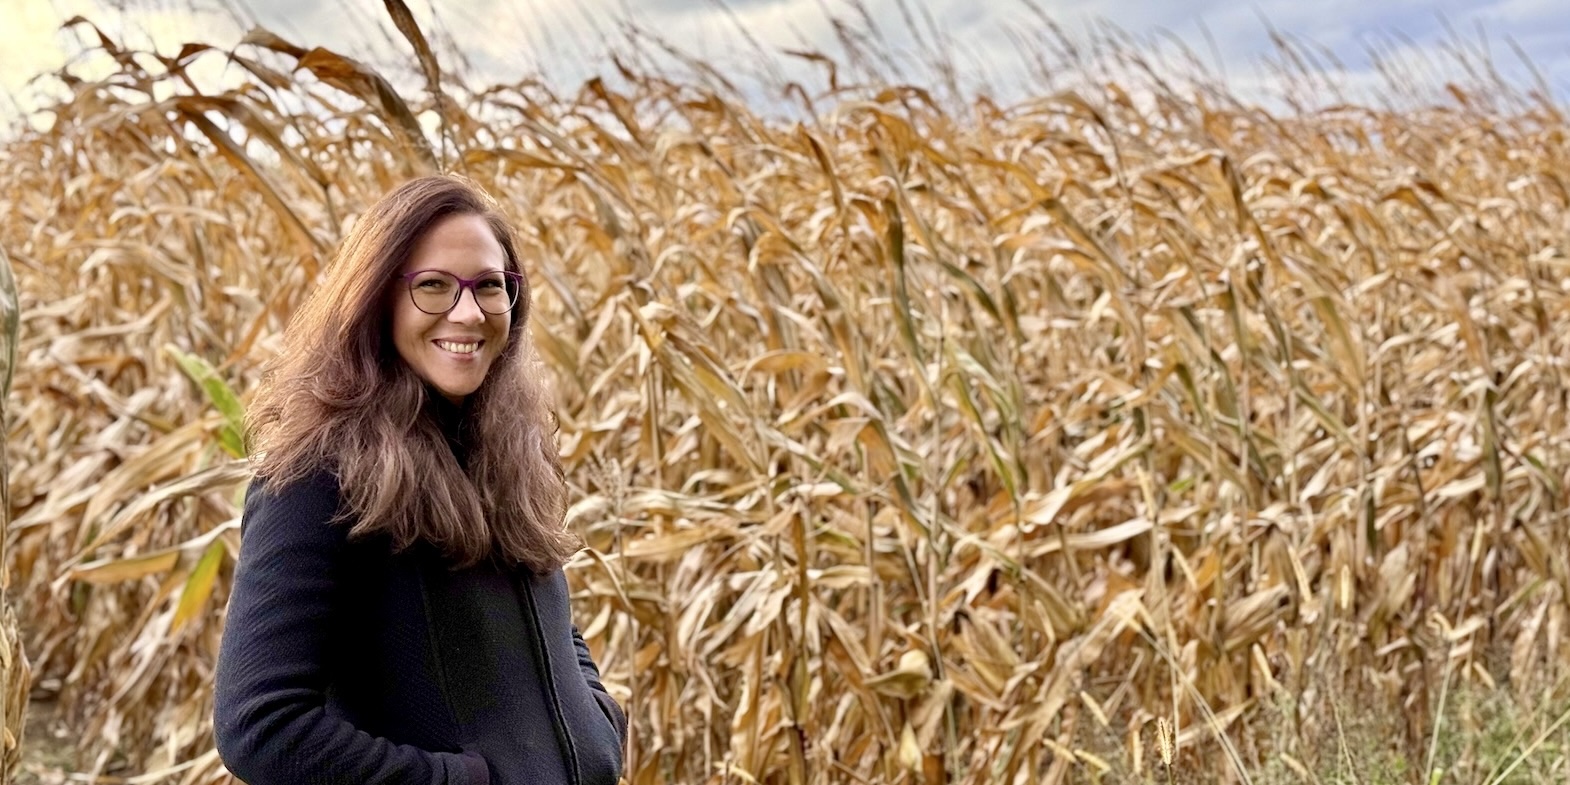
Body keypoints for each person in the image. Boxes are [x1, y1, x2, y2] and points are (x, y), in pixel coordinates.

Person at [213, 175, 626, 785]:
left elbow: (548, 623)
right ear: (377, 299)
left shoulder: (507, 450)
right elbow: (261, 726)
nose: (469, 311)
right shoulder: (316, 479)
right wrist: (456, 782)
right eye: (433, 286)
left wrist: (597, 727)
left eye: (490, 286)